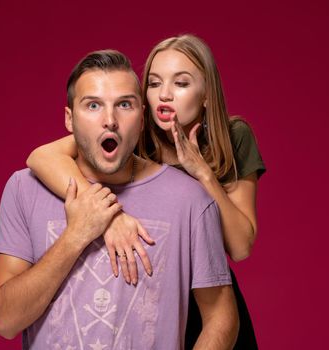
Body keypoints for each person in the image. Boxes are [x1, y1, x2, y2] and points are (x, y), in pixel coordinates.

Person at [26, 35, 266, 349]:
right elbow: (40, 157)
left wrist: (203, 174)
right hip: (152, 291)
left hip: (207, 296)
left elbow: (240, 246)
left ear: (206, 94)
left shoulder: (233, 136)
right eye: (154, 84)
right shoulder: (131, 134)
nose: (165, 94)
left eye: (180, 83)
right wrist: (106, 216)